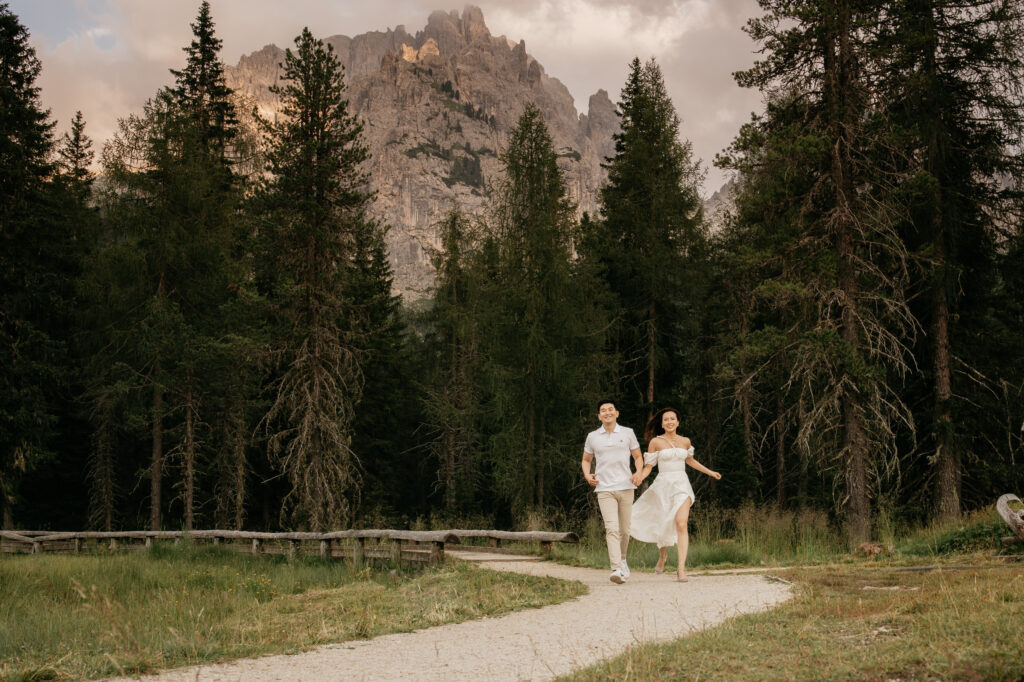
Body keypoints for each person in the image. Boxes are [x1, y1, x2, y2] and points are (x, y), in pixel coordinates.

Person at [630, 407, 721, 582]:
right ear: (662, 424)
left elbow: (690, 460)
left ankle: (681, 569)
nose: (669, 422)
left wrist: (710, 472)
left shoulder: (686, 441)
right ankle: (662, 556)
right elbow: (649, 466)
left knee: (681, 523)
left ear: (678, 422)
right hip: (663, 486)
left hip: (681, 486)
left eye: (672, 419)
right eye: (666, 420)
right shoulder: (656, 442)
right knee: (663, 523)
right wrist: (640, 476)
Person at [582, 399, 644, 584]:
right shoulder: (593, 436)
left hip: (626, 487)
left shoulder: (627, 433)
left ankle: (623, 560)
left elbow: (638, 456)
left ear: (617, 413)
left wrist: (638, 472)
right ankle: (616, 568)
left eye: (611, 409)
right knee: (611, 528)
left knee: (625, 530)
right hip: (604, 488)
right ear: (599, 416)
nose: (607, 412)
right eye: (603, 410)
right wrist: (587, 475)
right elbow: (586, 460)